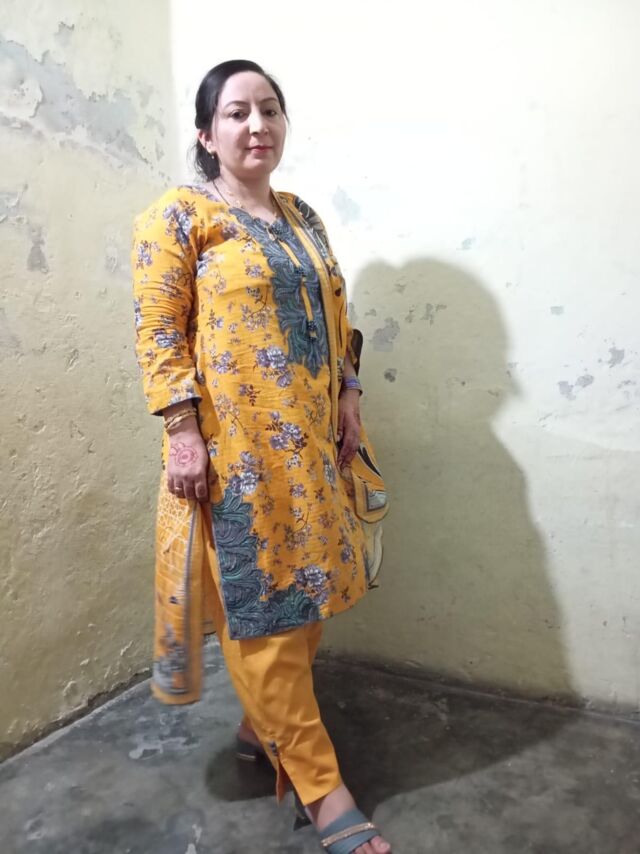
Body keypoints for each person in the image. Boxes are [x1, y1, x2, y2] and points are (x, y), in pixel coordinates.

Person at [131, 59, 390, 854]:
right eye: (237, 112)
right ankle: (322, 789)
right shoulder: (179, 217)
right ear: (207, 135)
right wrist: (182, 432)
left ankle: (260, 726)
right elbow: (159, 330)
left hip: (310, 449)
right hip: (234, 462)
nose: (257, 125)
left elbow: (337, 312)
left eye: (269, 109)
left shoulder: (302, 215)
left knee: (305, 605)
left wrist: (349, 393)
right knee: (264, 618)